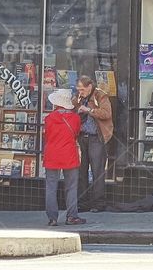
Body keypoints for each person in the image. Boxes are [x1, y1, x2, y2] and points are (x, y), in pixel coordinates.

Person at [43, 88, 85, 226]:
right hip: (69, 154)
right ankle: (72, 216)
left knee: (51, 186)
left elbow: (47, 136)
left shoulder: (49, 118)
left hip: (52, 154)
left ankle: (52, 218)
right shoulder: (75, 118)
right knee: (71, 186)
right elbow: (76, 133)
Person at [75, 75, 113, 212]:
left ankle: (98, 203)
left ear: (89, 87)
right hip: (82, 137)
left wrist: (89, 110)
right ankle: (83, 203)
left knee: (97, 171)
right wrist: (77, 110)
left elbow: (106, 114)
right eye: (78, 89)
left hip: (97, 137)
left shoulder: (100, 96)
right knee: (81, 171)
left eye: (82, 89)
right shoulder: (79, 98)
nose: (80, 92)